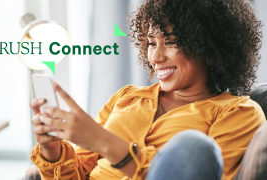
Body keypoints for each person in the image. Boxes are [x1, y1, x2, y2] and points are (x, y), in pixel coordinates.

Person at [28, 0, 266, 179]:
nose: (156, 57)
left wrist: (104, 142)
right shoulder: (127, 98)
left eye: (170, 42)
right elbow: (78, 173)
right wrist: (52, 149)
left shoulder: (238, 111)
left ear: (208, 45)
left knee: (194, 148)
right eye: (152, 43)